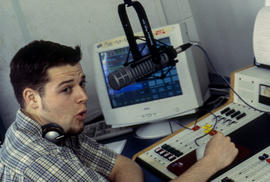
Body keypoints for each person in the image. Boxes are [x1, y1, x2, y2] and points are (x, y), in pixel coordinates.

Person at [0, 40, 238, 182]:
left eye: (81, 84)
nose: (83, 96)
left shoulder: (52, 129)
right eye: (66, 89)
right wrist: (211, 162)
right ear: (32, 98)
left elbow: (123, 166)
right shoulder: (38, 162)